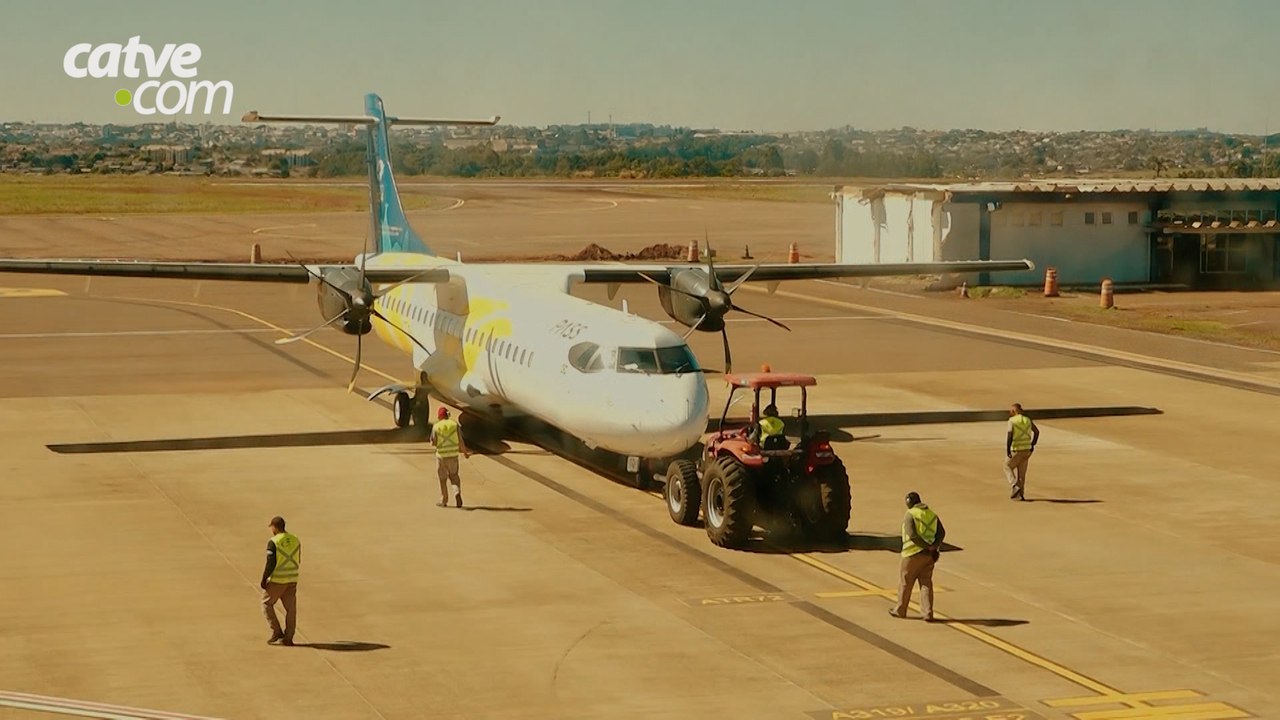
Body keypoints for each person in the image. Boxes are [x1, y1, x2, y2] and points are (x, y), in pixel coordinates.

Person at [889, 492, 945, 622]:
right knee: (926, 583)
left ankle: (901, 610)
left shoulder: (910, 514)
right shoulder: (931, 514)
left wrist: (924, 546)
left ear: (909, 502)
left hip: (912, 554)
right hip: (929, 556)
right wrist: (933, 546)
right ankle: (928, 612)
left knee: (906, 582)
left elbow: (912, 535)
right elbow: (941, 532)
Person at [261, 515, 301, 645]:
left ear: (274, 527)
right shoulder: (295, 539)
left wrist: (264, 579)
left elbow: (270, 563)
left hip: (278, 579)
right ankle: (289, 637)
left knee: (266, 604)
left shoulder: (273, 542)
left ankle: (277, 631)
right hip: (292, 578)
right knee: (291, 609)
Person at [430, 406, 470, 508]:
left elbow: (433, 442)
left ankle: (444, 500)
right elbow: (461, 441)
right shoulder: (454, 424)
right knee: (454, 477)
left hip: (441, 457)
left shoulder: (436, 426)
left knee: (442, 479)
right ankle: (457, 492)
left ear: (439, 416)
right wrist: (465, 452)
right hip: (453, 456)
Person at [1004, 403, 1040, 501]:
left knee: (1007, 466)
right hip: (1027, 450)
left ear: (1014, 411)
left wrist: (1008, 449)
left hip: (1016, 449)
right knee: (1022, 473)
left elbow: (1010, 436)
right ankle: (1020, 495)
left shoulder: (1012, 421)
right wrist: (1033, 444)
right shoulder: (1027, 420)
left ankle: (1014, 485)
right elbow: (1036, 432)